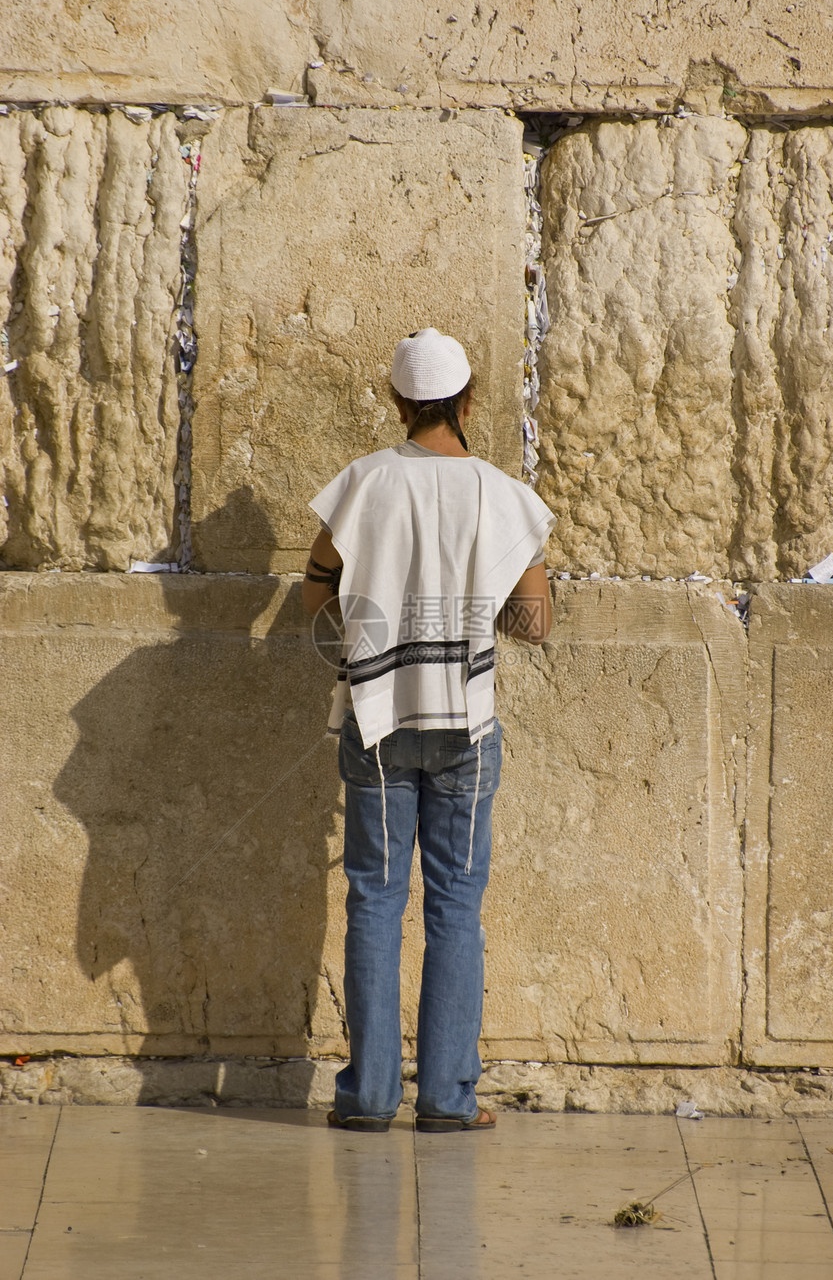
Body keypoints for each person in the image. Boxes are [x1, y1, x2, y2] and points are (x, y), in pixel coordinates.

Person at [302, 328, 555, 1132]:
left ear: (398, 401)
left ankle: (370, 1098)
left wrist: (371, 637)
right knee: (456, 907)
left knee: (375, 901)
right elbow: (535, 621)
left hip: (377, 718)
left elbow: (317, 596)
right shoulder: (497, 491)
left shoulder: (363, 483)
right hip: (466, 728)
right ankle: (447, 1099)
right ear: (468, 399)